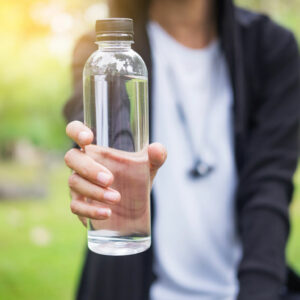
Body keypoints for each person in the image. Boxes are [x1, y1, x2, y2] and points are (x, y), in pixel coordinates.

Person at [63, 0, 300, 299]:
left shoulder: (271, 47)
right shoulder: (103, 54)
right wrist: (95, 173)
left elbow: (269, 187)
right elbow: (95, 127)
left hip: (250, 288)